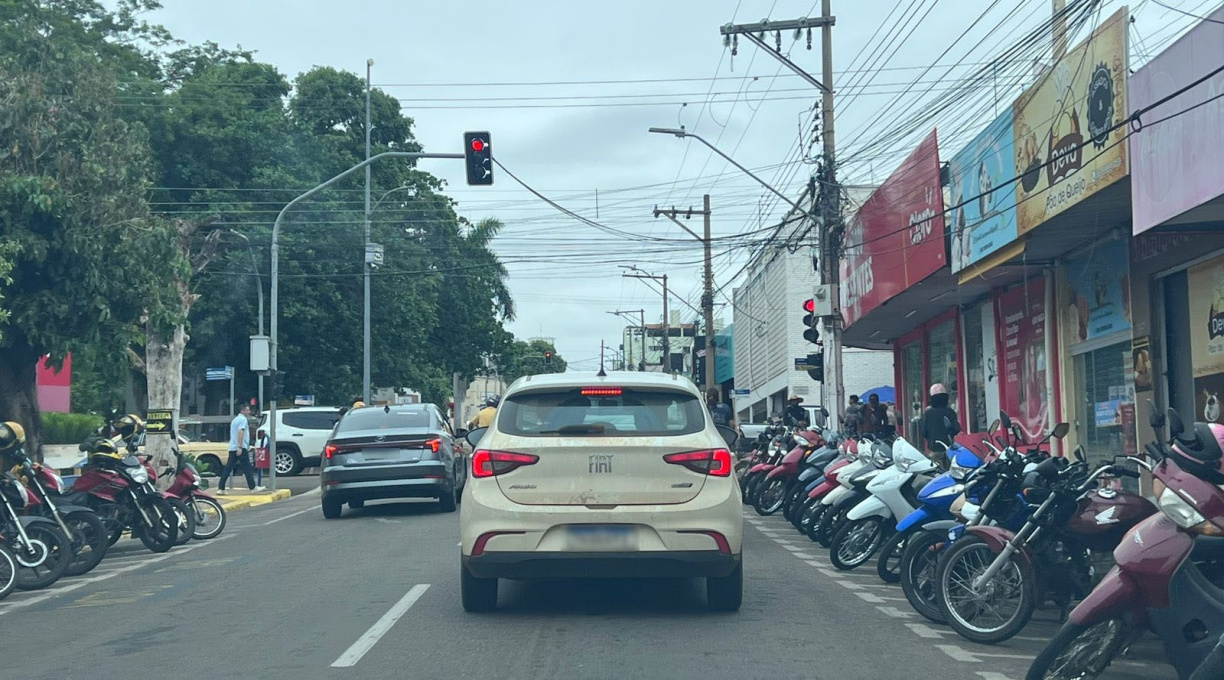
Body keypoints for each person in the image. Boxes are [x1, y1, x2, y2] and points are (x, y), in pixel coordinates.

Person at [218, 403, 263, 495]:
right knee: (247, 468)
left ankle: (221, 488)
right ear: (242, 410)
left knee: (228, 468)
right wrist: (240, 447)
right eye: (247, 410)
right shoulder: (243, 420)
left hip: (233, 447)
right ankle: (253, 487)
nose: (249, 412)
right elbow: (240, 432)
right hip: (240, 448)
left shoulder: (235, 420)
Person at [922, 383, 961, 468]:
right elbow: (956, 429)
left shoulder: (928, 413)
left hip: (934, 449)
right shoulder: (950, 412)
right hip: (949, 448)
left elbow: (924, 432)